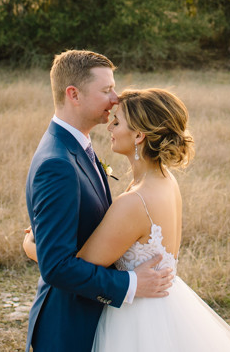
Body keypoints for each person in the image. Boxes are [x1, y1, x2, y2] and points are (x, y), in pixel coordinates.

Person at [25, 88, 230, 352]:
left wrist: (33, 244)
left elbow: (74, 268)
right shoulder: (166, 180)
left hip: (136, 319)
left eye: (117, 121)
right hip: (167, 307)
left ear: (138, 135)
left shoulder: (135, 202)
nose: (109, 126)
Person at [25, 50, 174, 352]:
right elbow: (56, 266)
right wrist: (131, 284)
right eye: (106, 90)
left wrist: (34, 246)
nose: (115, 98)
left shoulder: (78, 145)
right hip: (67, 329)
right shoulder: (58, 163)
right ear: (73, 94)